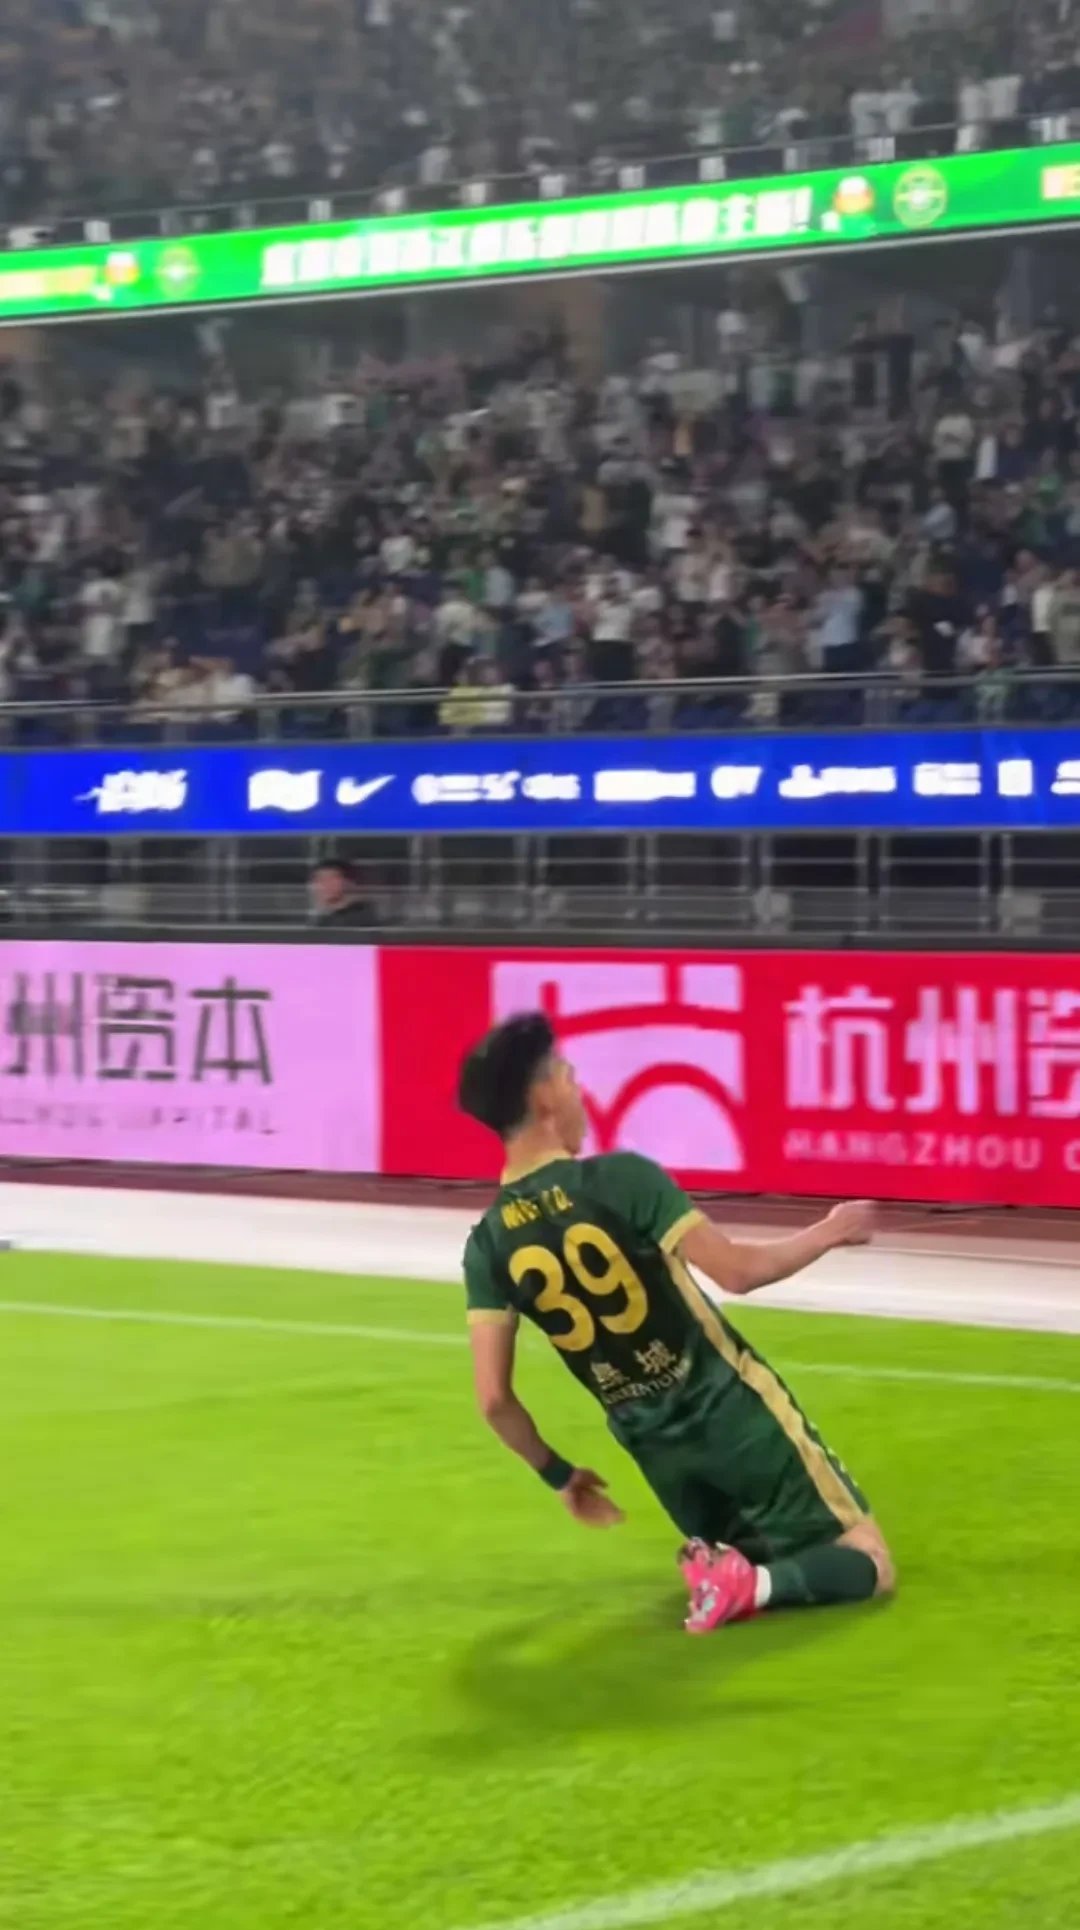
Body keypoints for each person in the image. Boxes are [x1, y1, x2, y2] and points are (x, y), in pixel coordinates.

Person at [458, 1012, 894, 1634]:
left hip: (656, 1452)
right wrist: (831, 1231)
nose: (580, 1092)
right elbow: (737, 1272)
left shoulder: (487, 1245)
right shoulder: (620, 1179)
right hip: (733, 1414)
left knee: (767, 1557)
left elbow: (494, 1400)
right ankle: (749, 1584)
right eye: (569, 1077)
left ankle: (730, 1572)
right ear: (543, 1097)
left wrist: (561, 1475)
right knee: (868, 1561)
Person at [309, 859, 375, 930]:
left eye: (333, 878)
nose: (326, 884)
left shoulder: (359, 917)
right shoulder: (323, 920)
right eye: (320, 879)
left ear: (348, 882)